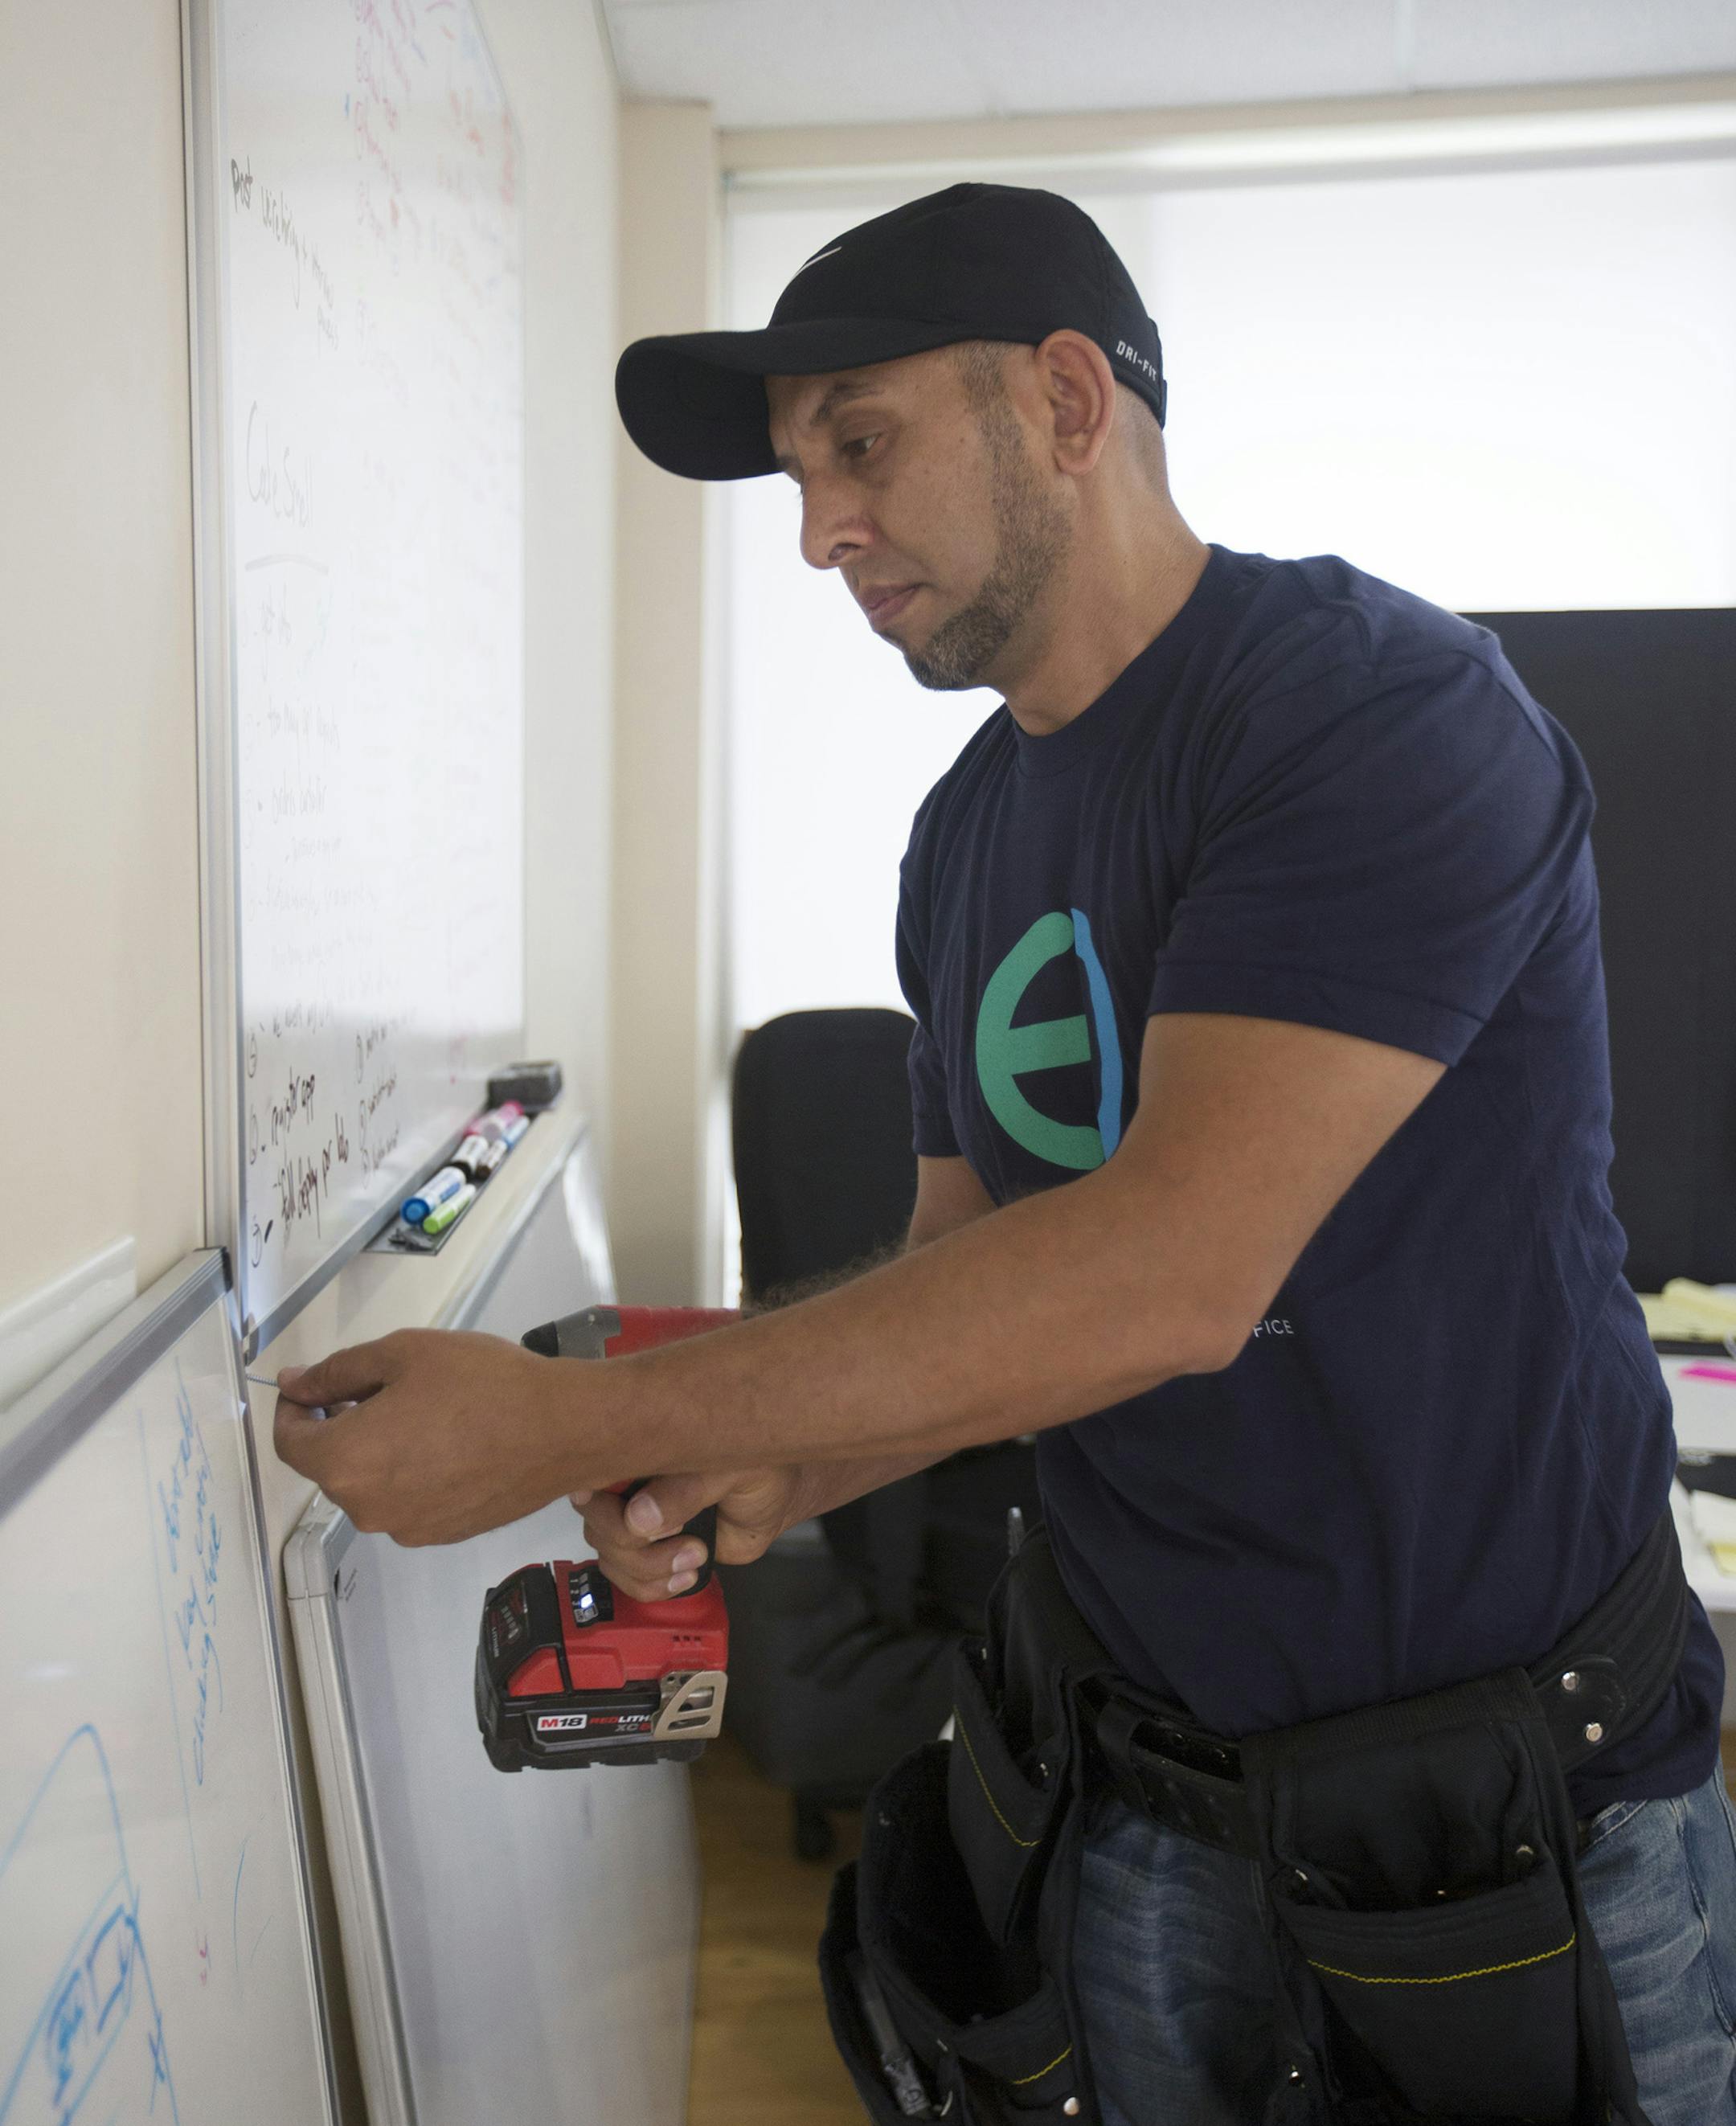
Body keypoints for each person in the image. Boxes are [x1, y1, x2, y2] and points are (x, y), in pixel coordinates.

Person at [276, 184, 1736, 2121]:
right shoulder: (965, 838)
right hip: (1124, 1787)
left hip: (1493, 1825)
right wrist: (759, 1453)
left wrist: (546, 1431)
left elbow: (1168, 1275)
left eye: (858, 443)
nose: (817, 535)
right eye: (795, 477)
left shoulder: (1375, 713)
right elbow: (969, 1283)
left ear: (1064, 399)